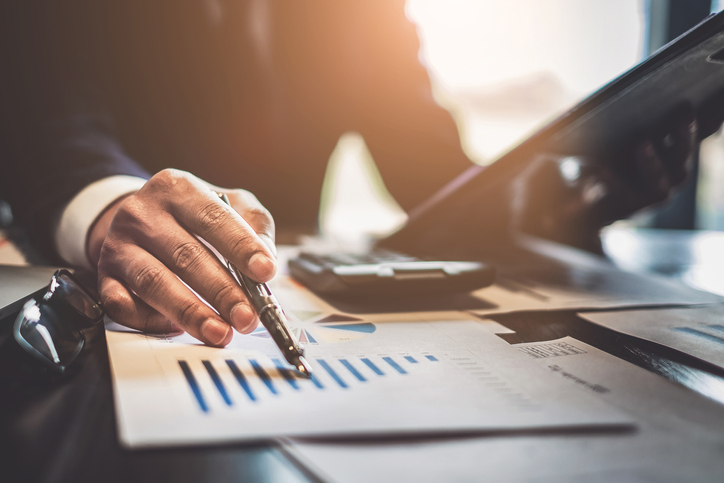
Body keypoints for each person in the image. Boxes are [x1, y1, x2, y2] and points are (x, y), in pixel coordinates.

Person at [0, 0, 700, 346]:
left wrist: (574, 201)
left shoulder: (356, 14)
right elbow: (49, 116)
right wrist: (112, 206)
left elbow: (431, 172)